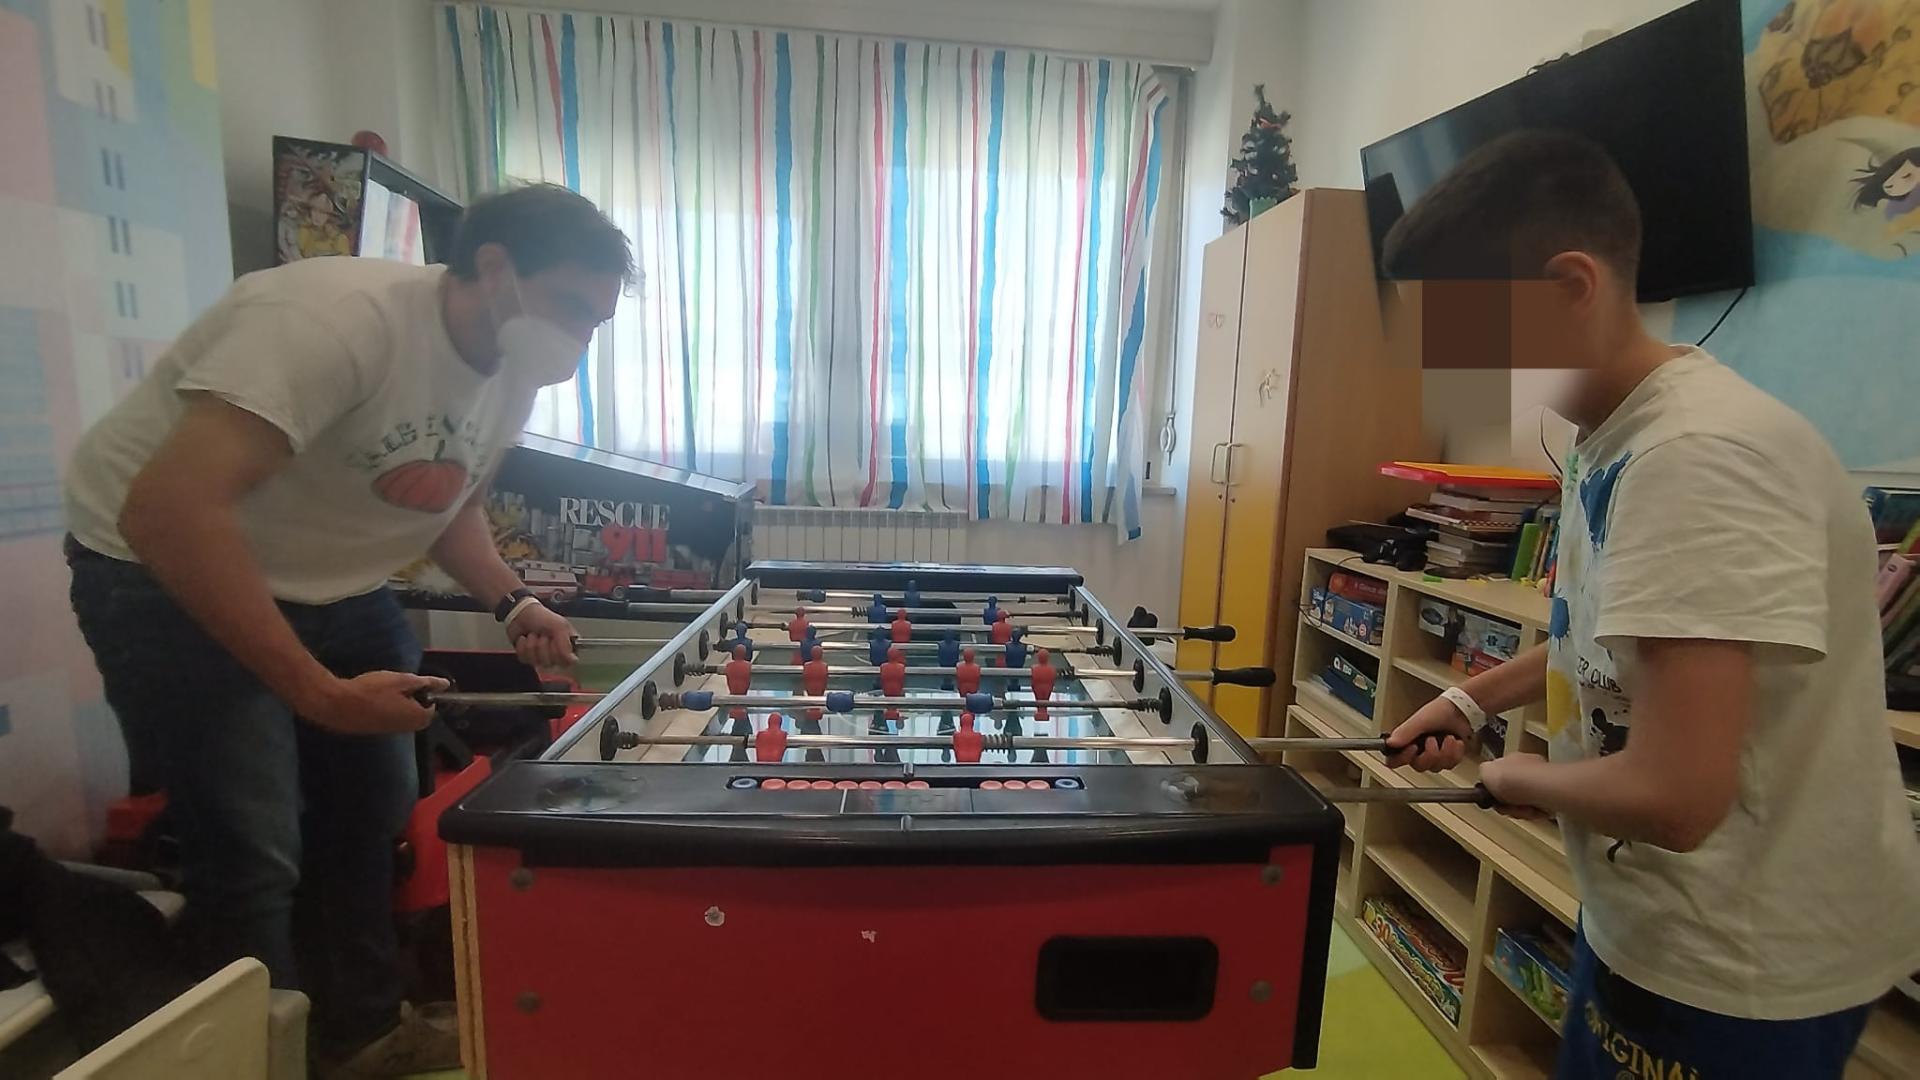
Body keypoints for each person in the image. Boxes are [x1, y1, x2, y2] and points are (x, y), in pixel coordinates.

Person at [1380, 131, 1920, 1079]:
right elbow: (1605, 642)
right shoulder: (1612, 435)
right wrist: (1470, 700)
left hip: (1737, 959)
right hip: (1652, 920)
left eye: (1461, 330)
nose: (1445, 367)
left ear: (1569, 289)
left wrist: (1520, 777)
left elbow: (1676, 797)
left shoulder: (1694, 458)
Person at [64, 183, 631, 1077]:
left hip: (341, 585)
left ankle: (360, 1035)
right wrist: (317, 693)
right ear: (493, 269)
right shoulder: (336, 323)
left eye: (596, 321)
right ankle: (258, 1061)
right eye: (569, 306)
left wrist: (513, 602)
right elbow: (167, 510)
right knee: (250, 848)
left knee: (369, 817)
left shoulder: (513, 370)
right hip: (163, 575)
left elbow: (451, 504)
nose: (579, 338)